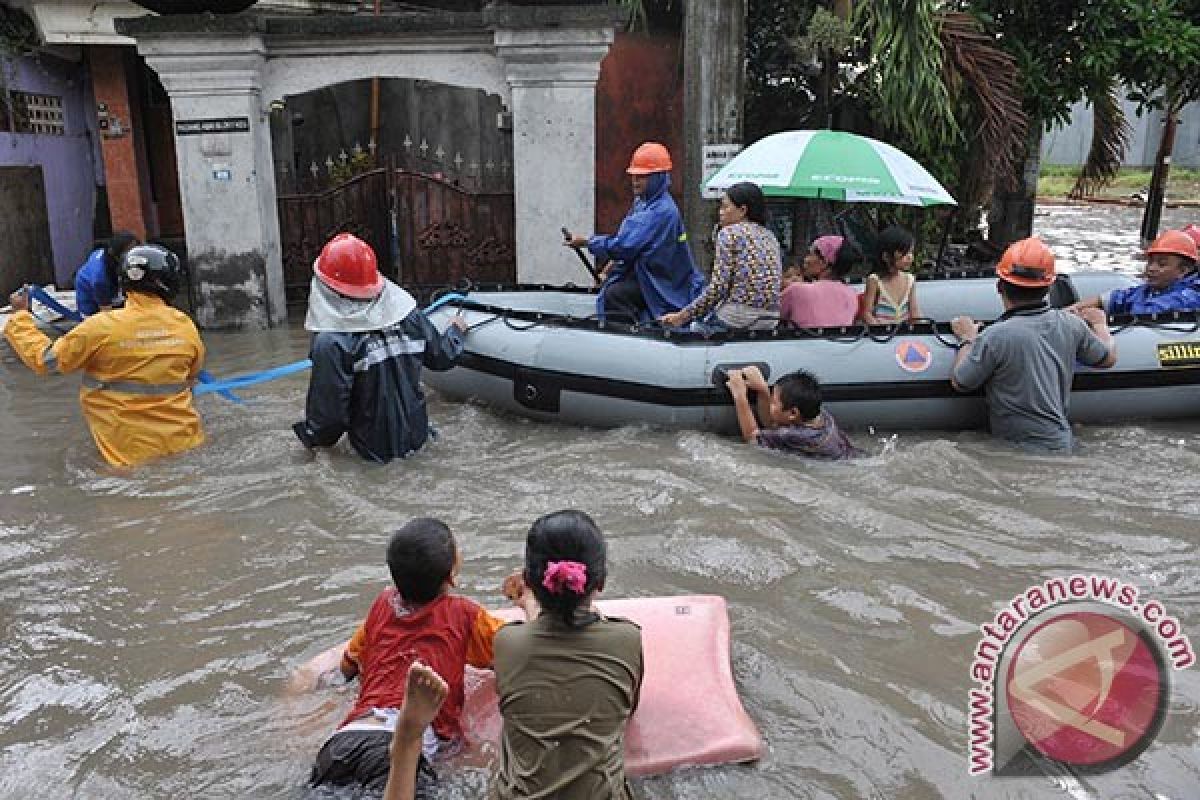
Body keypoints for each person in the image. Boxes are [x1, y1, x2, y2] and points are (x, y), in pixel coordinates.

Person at [310, 517, 529, 795]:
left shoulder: (381, 605)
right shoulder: (464, 615)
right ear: (451, 575)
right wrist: (528, 599)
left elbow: (348, 666)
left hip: (344, 741)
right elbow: (519, 648)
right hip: (399, 747)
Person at [4, 244, 205, 467]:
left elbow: (46, 360)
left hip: (127, 456)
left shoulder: (100, 327)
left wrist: (20, 317)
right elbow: (192, 375)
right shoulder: (184, 325)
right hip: (186, 445)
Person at [493, 510, 643, 800]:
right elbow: (629, 709)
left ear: (529, 581)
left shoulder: (507, 643)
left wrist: (528, 606)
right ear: (599, 582)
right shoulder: (627, 639)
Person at [292, 233, 466, 463]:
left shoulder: (331, 342)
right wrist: (455, 331)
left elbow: (329, 423)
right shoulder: (408, 316)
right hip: (420, 441)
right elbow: (442, 357)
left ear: (326, 288)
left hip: (371, 458)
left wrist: (309, 442)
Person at [951, 237, 1117, 452]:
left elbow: (961, 381)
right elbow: (1108, 358)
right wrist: (1100, 324)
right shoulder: (1071, 325)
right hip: (1062, 443)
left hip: (1018, 449)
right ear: (1048, 287)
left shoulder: (995, 337)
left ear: (1000, 286)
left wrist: (967, 338)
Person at [565, 142, 704, 323]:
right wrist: (607, 273)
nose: (635, 181)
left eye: (642, 177)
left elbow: (623, 247)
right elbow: (624, 243)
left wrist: (587, 242)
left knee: (616, 295)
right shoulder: (643, 203)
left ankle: (630, 335)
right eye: (634, 176)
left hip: (661, 281)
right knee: (614, 290)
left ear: (658, 178)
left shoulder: (660, 212)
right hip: (645, 274)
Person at [658, 181, 781, 331]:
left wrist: (682, 316)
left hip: (739, 317)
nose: (720, 212)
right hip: (771, 319)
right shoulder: (769, 236)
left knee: (696, 329)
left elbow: (718, 288)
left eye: (725, 206)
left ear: (742, 210)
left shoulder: (729, 233)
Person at [725, 366, 859, 460]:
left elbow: (752, 438)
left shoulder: (792, 435)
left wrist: (740, 396)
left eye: (773, 402)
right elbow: (773, 424)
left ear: (793, 413)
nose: (770, 404)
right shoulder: (822, 416)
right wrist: (762, 390)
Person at [1068, 229, 1200, 315]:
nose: (1151, 268)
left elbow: (1147, 314)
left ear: (1183, 270)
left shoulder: (1188, 297)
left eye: (1162, 264)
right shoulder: (1149, 290)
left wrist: (1097, 322)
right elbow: (1116, 298)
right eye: (1150, 262)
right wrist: (1069, 312)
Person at [382, 662, 450, 800]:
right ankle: (408, 742)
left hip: (346, 736)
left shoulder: (365, 640)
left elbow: (346, 670)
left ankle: (407, 742)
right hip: (388, 736)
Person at [779, 234, 863, 328]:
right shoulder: (851, 295)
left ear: (824, 263)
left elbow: (768, 317)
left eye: (810, 254)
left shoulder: (797, 290)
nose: (805, 260)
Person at [861, 226, 921, 324]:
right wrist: (878, 329)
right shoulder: (874, 280)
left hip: (903, 336)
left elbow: (914, 312)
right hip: (882, 336)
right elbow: (867, 313)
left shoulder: (910, 279)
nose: (910, 257)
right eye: (904, 253)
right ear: (886, 256)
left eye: (911, 252)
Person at [73, 232, 139, 316]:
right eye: (128, 254)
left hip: (113, 295)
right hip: (93, 309)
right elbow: (106, 314)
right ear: (116, 255)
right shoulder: (100, 278)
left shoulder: (103, 252)